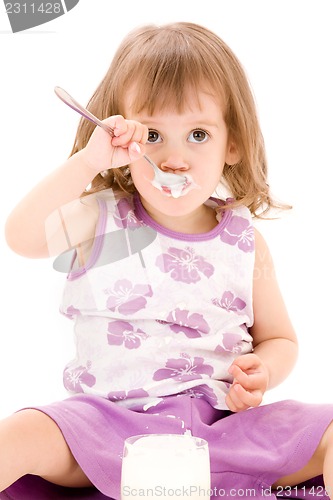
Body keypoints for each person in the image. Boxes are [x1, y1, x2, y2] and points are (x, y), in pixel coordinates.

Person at [2, 21, 333, 500]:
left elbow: (279, 338)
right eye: (153, 135)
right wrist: (89, 162)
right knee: (17, 434)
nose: (175, 157)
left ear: (232, 143)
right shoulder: (98, 218)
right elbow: (22, 237)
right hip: (108, 429)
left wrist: (262, 370)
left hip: (223, 433)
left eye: (197, 133)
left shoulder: (245, 239)